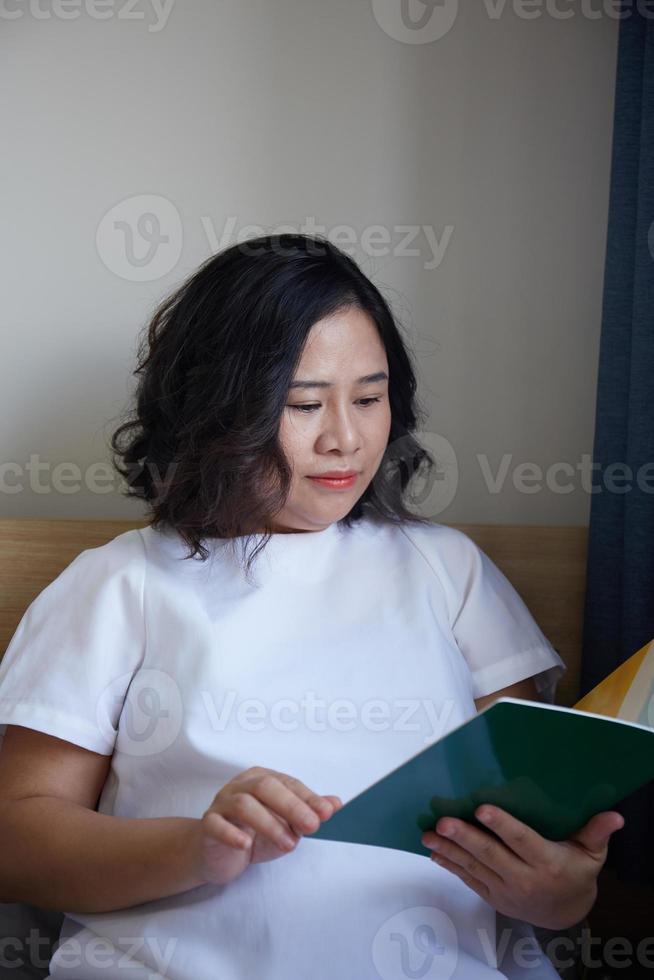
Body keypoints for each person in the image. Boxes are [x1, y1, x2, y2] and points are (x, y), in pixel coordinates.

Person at [0, 234, 624, 980]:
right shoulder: (121, 583)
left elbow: (524, 818)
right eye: (303, 405)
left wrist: (558, 897)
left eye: (369, 397)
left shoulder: (445, 569)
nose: (346, 439)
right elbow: (16, 842)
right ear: (214, 410)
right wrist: (200, 845)